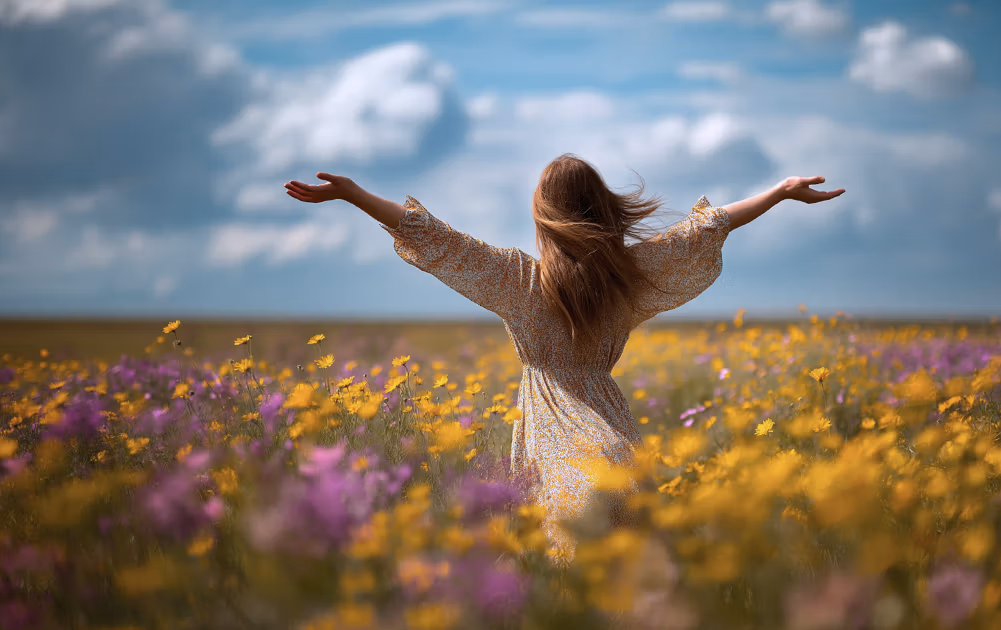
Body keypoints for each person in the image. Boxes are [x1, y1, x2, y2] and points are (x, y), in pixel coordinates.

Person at [284, 153, 845, 561]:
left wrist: (354, 195)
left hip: (556, 435)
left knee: (560, 562)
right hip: (616, 433)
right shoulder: (630, 277)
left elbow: (432, 237)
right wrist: (778, 191)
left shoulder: (516, 279)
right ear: (604, 209)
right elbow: (707, 227)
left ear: (541, 215)